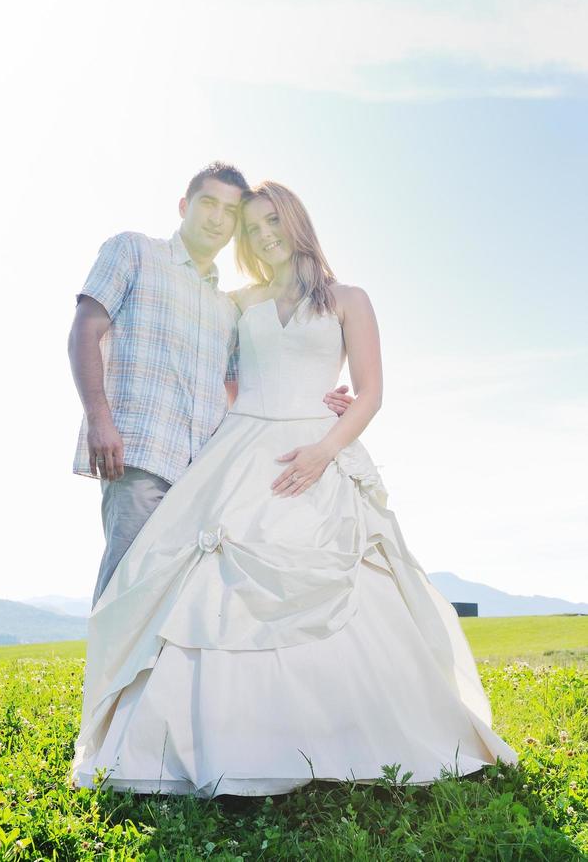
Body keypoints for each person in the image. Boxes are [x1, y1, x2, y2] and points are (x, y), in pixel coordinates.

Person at [71, 181, 518, 796]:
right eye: (251, 228)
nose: (264, 235)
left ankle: (356, 738)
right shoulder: (236, 302)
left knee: (347, 579)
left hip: (317, 451)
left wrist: (325, 446)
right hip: (239, 449)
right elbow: (222, 379)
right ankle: (200, 743)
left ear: (297, 220)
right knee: (202, 584)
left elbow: (370, 393)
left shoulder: (349, 300)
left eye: (272, 220)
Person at [68, 163, 352, 607]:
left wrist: (315, 399)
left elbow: (247, 383)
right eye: (208, 203)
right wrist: (99, 420)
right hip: (139, 454)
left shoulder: (228, 305)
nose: (217, 218)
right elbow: (86, 330)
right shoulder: (135, 252)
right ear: (185, 206)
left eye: (229, 212)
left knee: (186, 600)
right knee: (128, 588)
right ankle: (108, 679)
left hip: (205, 470)